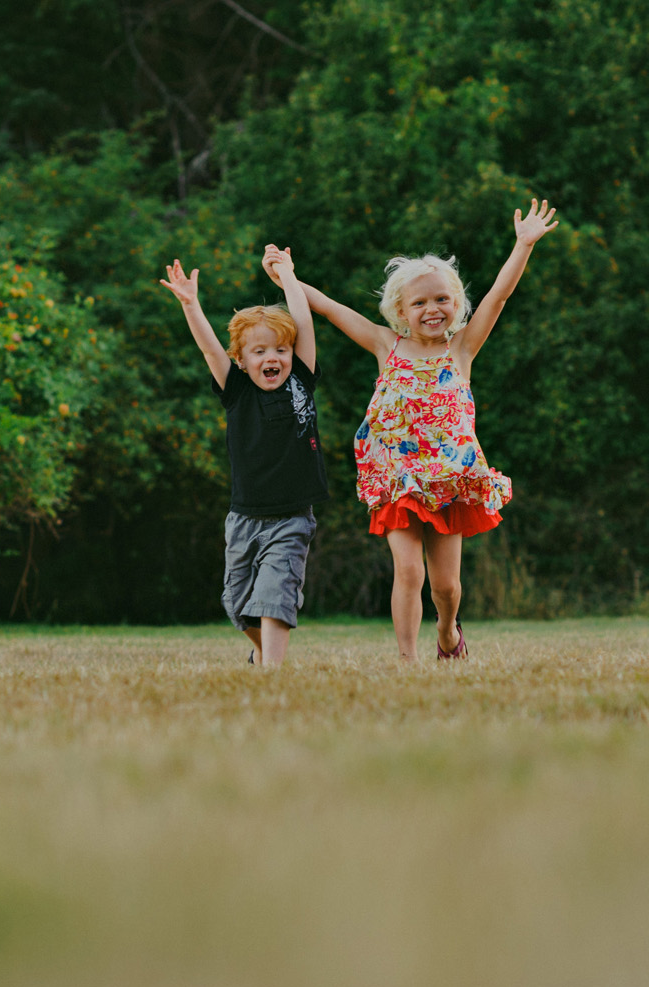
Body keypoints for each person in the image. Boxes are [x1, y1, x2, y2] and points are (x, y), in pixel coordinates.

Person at [263, 200, 558, 659]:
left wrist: (522, 245)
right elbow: (329, 308)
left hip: (449, 478)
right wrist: (286, 278)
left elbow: (499, 295)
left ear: (456, 304)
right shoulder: (387, 345)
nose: (432, 309)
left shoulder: (462, 350)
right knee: (408, 572)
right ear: (401, 310)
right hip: (398, 476)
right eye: (419, 302)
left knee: (446, 586)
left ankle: (446, 632)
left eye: (442, 299)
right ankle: (407, 661)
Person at [159, 249, 328, 665]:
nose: (272, 358)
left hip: (290, 516)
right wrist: (191, 304)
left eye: (281, 351)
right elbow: (208, 350)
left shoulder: (301, 381)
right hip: (243, 519)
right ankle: (261, 656)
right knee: (237, 605)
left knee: (274, 598)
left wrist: (287, 275)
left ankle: (272, 675)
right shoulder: (236, 392)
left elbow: (303, 322)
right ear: (242, 361)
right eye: (260, 352)